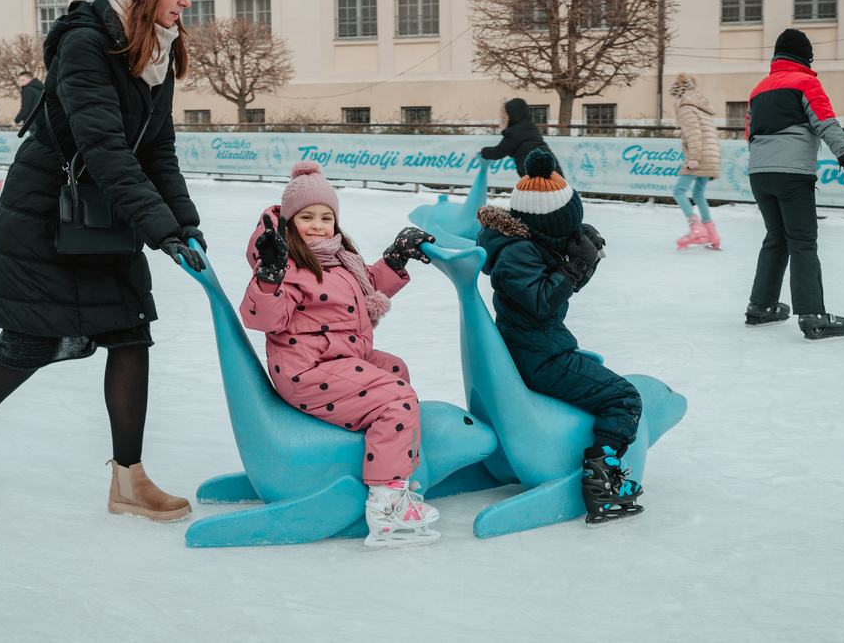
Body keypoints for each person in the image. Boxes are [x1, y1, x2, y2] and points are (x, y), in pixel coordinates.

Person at [0, 0, 208, 522]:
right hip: (49, 214)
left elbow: (156, 150)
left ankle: (128, 480)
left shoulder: (156, 53)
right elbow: (104, 151)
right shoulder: (87, 42)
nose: (188, 1)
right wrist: (160, 230)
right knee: (31, 342)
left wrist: (184, 223)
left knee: (130, 333)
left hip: (105, 215)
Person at [241, 160, 440, 548]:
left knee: (395, 369)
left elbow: (361, 286)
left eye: (326, 217)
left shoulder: (336, 258)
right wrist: (269, 275)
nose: (318, 225)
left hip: (338, 359)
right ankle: (387, 504)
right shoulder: (286, 263)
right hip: (308, 371)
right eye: (306, 216)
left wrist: (395, 258)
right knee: (398, 400)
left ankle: (380, 458)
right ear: (289, 222)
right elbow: (262, 317)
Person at [476, 149, 644, 527]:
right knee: (624, 397)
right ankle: (602, 482)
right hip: (540, 357)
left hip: (539, 347)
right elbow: (540, 302)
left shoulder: (524, 244)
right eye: (569, 226)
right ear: (548, 224)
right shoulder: (517, 253)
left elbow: (557, 291)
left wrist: (585, 258)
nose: (573, 232)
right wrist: (574, 266)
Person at [745, 29, 844, 340]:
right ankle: (813, 315)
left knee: (776, 237)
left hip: (759, 173)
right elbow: (825, 121)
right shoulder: (806, 82)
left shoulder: (758, 89)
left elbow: (750, 134)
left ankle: (761, 307)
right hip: (793, 174)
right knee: (802, 242)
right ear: (805, 57)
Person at [670, 74, 721, 250]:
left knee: (679, 191)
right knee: (698, 194)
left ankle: (696, 228)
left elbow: (694, 135)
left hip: (700, 156)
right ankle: (711, 233)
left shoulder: (686, 107)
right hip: (711, 155)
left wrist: (694, 158)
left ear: (678, 95)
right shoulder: (701, 106)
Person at [480, 97, 562, 178]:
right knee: (561, 190)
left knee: (541, 190)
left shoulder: (515, 132)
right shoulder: (530, 126)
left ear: (509, 115)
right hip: (552, 167)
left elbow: (499, 151)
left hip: (537, 173)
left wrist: (482, 152)